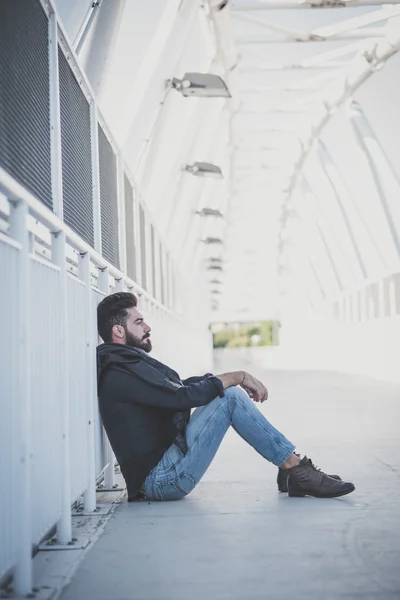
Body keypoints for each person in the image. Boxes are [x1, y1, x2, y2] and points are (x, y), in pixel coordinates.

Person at [96, 292, 355, 502]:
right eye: (139, 322)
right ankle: (295, 468)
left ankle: (292, 470)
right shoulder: (121, 372)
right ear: (119, 331)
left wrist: (222, 378)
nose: (148, 327)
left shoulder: (126, 364)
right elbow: (181, 398)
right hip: (161, 481)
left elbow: (177, 387)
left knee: (225, 391)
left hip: (166, 465)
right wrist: (238, 376)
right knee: (229, 396)